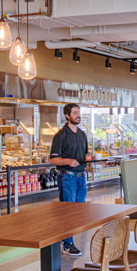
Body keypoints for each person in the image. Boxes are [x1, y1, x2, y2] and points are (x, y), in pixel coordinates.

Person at [49, 103, 91, 256]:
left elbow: (85, 154)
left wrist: (89, 157)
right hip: (68, 178)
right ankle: (68, 244)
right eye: (74, 113)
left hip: (81, 178)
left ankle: (64, 237)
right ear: (67, 116)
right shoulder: (60, 135)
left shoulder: (82, 134)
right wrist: (67, 161)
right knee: (69, 212)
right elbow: (52, 159)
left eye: (78, 112)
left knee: (78, 212)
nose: (78, 115)